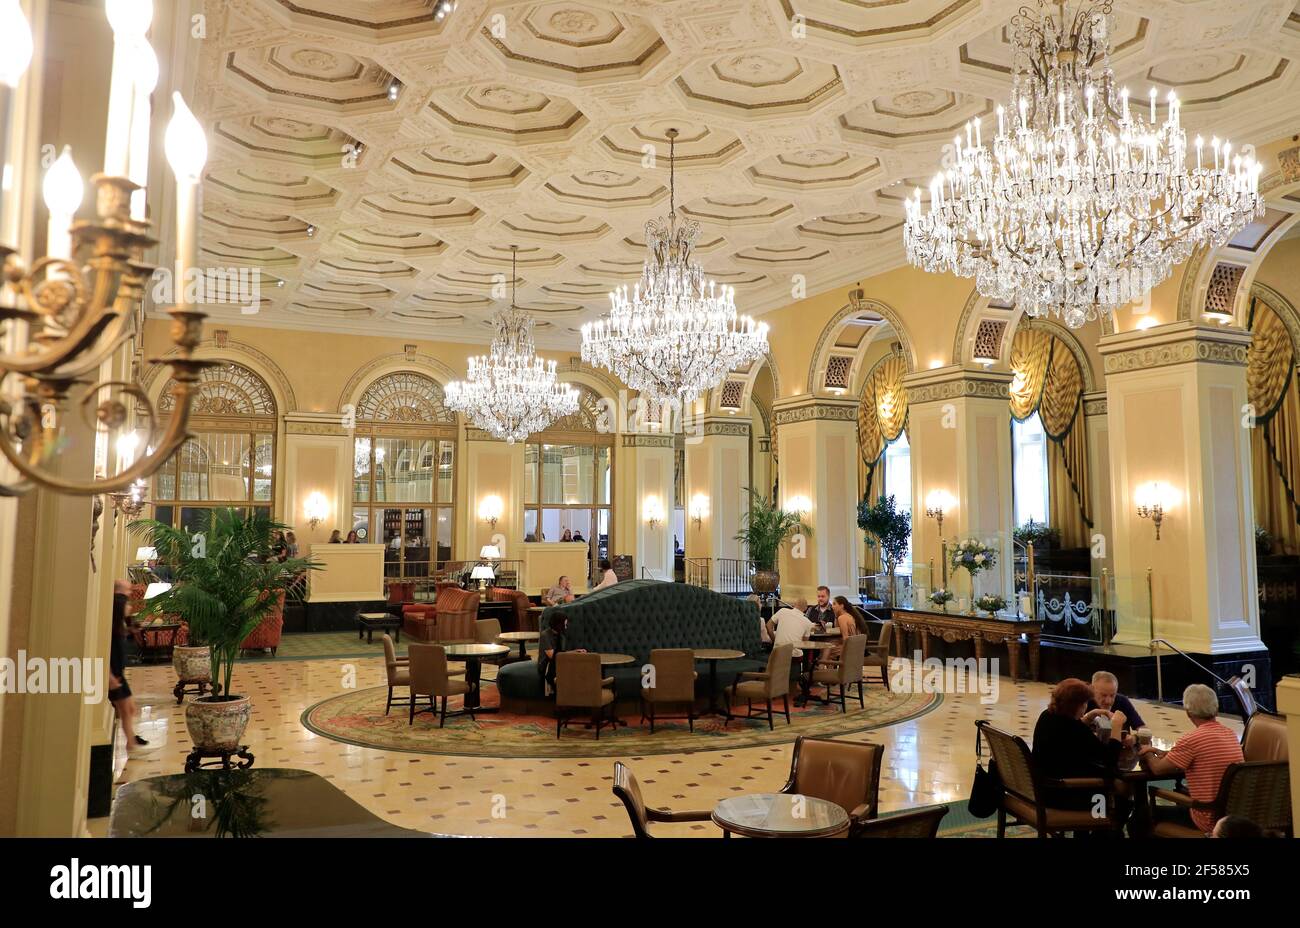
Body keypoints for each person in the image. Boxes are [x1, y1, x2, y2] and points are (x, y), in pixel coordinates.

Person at [1139, 683, 1243, 835]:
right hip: (1232, 815)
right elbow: (1201, 756)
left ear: (1188, 712)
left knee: (1140, 816)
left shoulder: (1192, 740)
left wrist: (1146, 749)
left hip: (1207, 819)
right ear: (1216, 707)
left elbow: (1157, 769)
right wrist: (1163, 752)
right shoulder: (1230, 734)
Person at [1031, 678, 1129, 811]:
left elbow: (1067, 735)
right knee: (1122, 785)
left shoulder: (1047, 716)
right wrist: (1117, 726)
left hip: (1043, 789)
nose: (1086, 706)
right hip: (1067, 794)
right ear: (1076, 705)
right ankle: (1109, 827)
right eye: (1084, 703)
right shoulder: (1075, 728)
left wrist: (1088, 717)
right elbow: (1110, 759)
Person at [108, 580, 148, 751]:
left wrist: (132, 630)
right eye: (126, 599)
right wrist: (109, 675)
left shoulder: (119, 627)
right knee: (126, 709)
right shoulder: (112, 630)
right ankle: (131, 744)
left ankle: (131, 741)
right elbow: (106, 653)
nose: (130, 604)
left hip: (118, 673)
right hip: (113, 675)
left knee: (129, 709)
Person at [537, 610, 585, 696]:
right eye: (564, 624)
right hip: (547, 664)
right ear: (558, 624)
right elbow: (552, 656)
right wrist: (570, 654)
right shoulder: (545, 635)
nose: (566, 627)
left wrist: (576, 652)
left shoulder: (561, 636)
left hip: (558, 661)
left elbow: (561, 654)